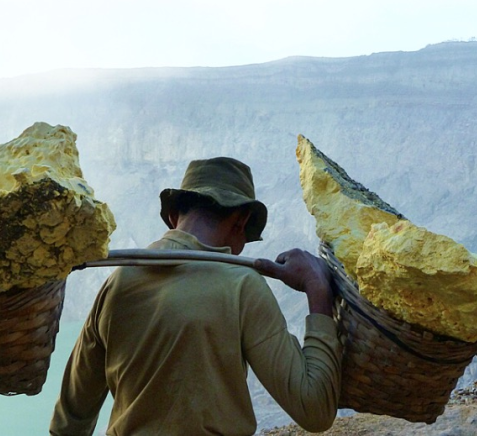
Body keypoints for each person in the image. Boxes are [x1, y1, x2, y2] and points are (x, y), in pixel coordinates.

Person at [50, 157, 342, 436]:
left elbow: (69, 421)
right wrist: (317, 289)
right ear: (240, 222)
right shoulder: (242, 285)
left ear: (174, 216)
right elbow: (314, 411)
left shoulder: (117, 281)